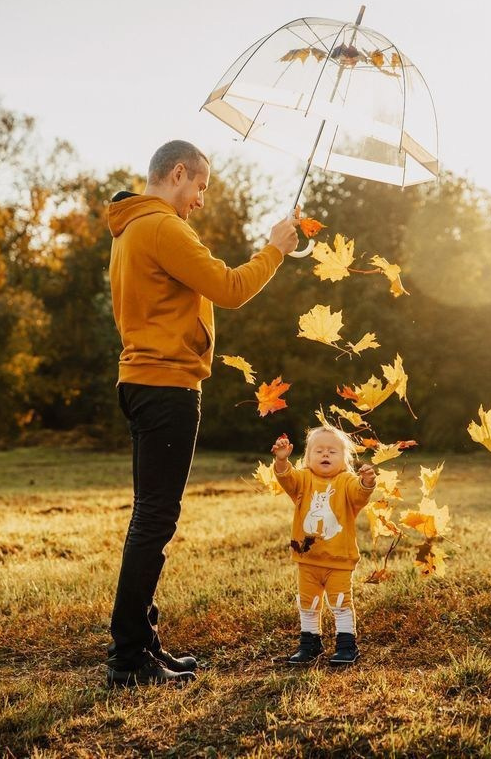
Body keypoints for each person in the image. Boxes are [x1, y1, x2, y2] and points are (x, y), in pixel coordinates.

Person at [106, 140, 300, 687]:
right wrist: (276, 248)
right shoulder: (162, 227)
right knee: (154, 520)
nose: (200, 201)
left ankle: (141, 643)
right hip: (165, 385)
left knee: (150, 516)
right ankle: (127, 656)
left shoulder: (129, 229)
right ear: (178, 173)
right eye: (200, 188)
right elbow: (230, 289)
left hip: (142, 380)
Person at [271, 425, 377, 666]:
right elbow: (286, 477)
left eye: (332, 451)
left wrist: (367, 482)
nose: (325, 455)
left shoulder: (347, 481)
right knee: (307, 604)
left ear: (345, 459)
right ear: (307, 457)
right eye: (318, 451)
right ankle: (310, 644)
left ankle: (347, 645)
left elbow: (360, 494)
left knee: (340, 603)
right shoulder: (303, 479)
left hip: (339, 559)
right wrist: (281, 461)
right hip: (307, 558)